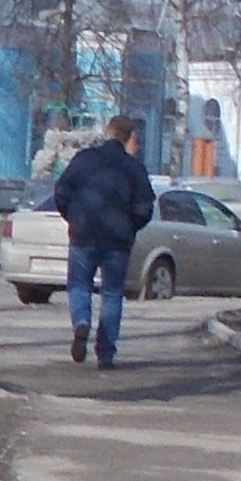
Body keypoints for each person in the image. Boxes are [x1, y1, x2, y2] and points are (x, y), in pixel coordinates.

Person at [50, 114, 158, 368]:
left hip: (83, 234)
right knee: (111, 294)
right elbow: (145, 207)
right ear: (129, 137)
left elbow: (61, 193)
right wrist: (130, 226)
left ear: (107, 131)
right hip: (118, 240)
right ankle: (106, 354)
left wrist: (74, 219)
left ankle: (81, 323)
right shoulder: (134, 168)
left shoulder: (84, 160)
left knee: (78, 286)